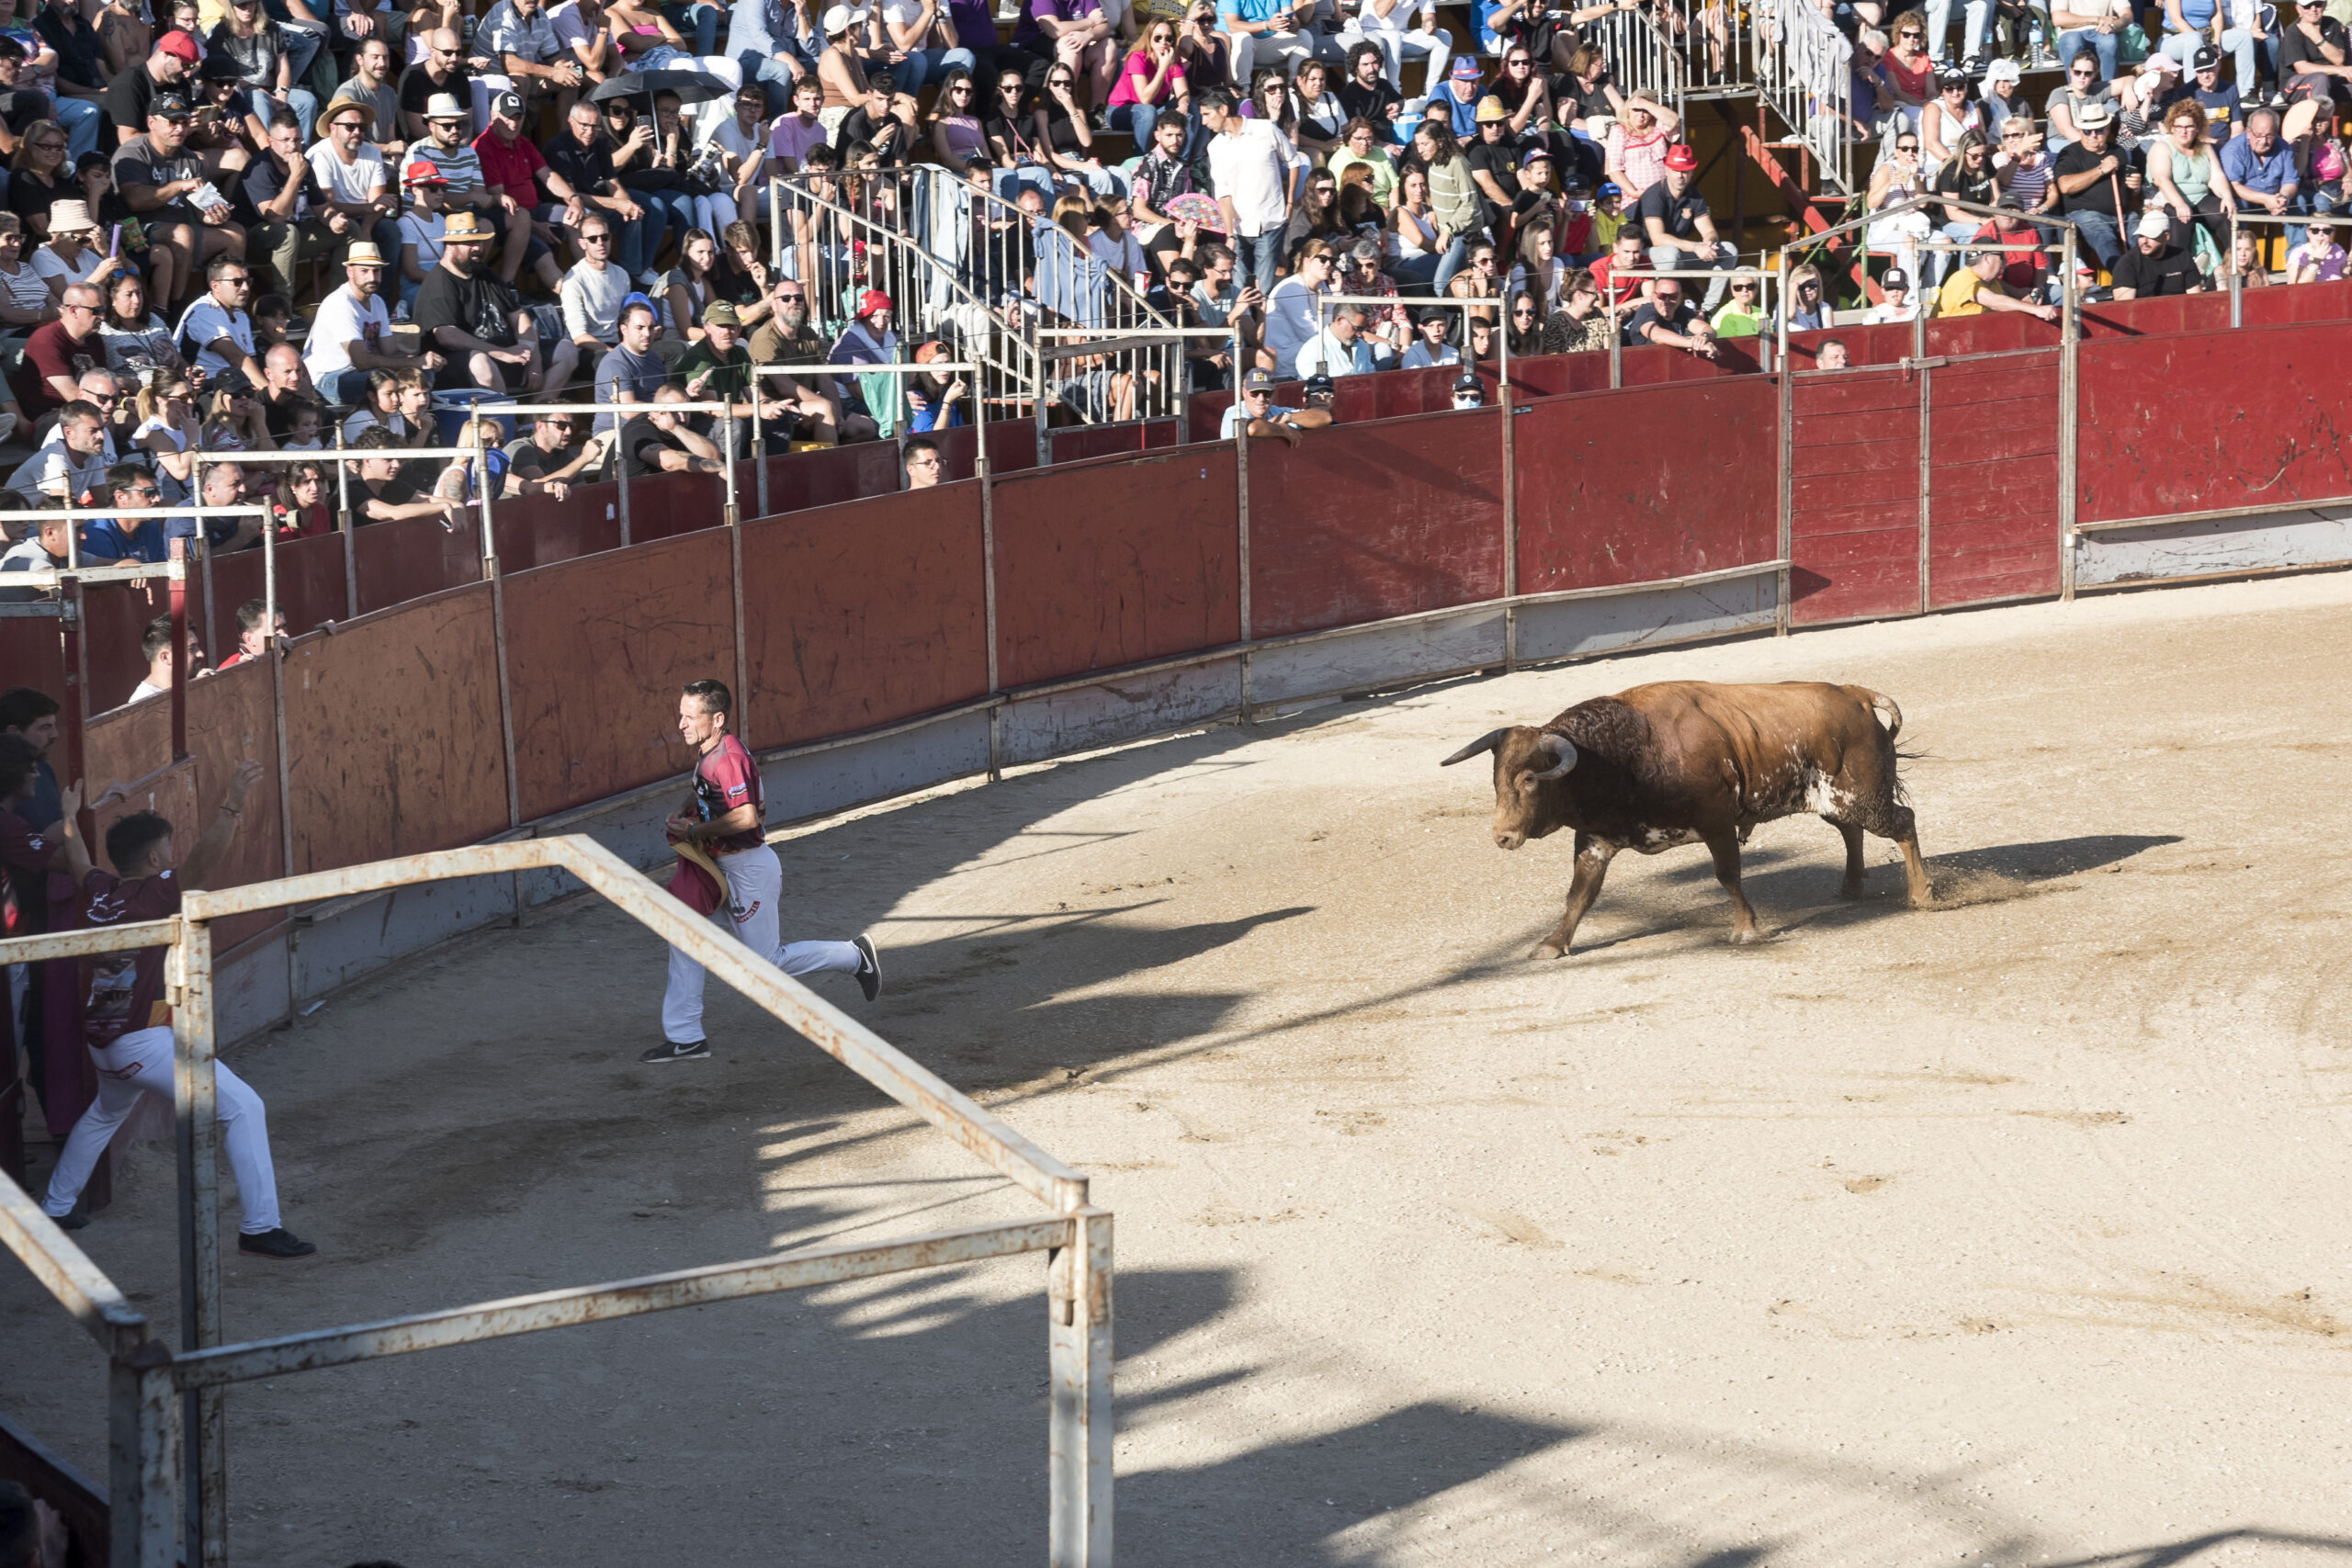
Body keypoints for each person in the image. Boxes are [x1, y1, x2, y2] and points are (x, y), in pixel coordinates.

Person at [38, 760, 315, 1257]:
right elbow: (202, 865)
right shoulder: (153, 894)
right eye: (166, 846)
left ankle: (56, 1207)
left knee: (103, 1114)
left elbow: (79, 860)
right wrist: (232, 804)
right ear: (151, 858)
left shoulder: (102, 892)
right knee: (243, 1107)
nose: (172, 853)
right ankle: (259, 1226)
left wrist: (68, 819)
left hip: (104, 1040)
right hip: (141, 1041)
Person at [646, 677, 879, 1064]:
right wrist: (688, 808)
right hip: (720, 865)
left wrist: (694, 830)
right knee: (683, 933)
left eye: (691, 717)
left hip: (747, 869)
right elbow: (708, 787)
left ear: (717, 719)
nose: (682, 725)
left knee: (765, 964)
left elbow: (746, 817)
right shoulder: (712, 750)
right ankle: (685, 1037)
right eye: (681, 715)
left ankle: (854, 956)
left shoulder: (729, 756)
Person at [413, 209, 572, 395]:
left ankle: (532, 420)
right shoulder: (439, 283)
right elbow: (447, 336)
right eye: (469, 243)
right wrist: (499, 353)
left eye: (479, 242)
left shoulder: (485, 273)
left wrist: (533, 358)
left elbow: (519, 316)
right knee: (481, 362)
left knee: (566, 350)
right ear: (450, 246)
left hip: (506, 354)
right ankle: (506, 421)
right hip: (459, 365)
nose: (478, 248)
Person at [1202, 86, 1293, 292]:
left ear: (1223, 110)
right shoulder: (1214, 146)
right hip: (1240, 228)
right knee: (1238, 288)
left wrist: (1290, 203)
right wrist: (1230, 234)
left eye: (1207, 114)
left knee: (1263, 290)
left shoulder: (1266, 129)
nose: (1204, 121)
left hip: (1270, 223)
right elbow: (1223, 194)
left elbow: (1293, 161)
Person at [1637, 141, 1736, 310]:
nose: (1680, 175)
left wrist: (1708, 243)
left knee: (1729, 250)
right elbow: (1657, 238)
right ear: (1667, 170)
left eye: (1684, 171)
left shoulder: (1694, 194)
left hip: (1680, 254)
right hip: (1647, 257)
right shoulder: (1654, 195)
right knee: (1670, 252)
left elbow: (1709, 230)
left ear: (1691, 172)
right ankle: (1661, 308)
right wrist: (1696, 246)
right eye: (1676, 170)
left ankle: (1708, 309)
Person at [2051, 96, 2135, 267]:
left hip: (2123, 215)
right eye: (2087, 131)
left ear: (2107, 128)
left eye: (2098, 130)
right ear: (2080, 131)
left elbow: (2128, 189)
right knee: (2104, 238)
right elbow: (2065, 186)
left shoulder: (2118, 151)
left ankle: (2152, 278)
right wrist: (2100, 170)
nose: (2093, 136)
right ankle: (2123, 280)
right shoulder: (2070, 153)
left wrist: (2135, 186)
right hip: (2085, 214)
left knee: (2143, 235)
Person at [175, 254, 263, 386]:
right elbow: (236, 357)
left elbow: (251, 360)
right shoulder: (203, 310)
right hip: (200, 392)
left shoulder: (241, 315)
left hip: (233, 389)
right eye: (237, 282)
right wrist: (269, 394)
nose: (246, 288)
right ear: (215, 286)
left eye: (248, 281)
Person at [1938, 243, 2064, 314]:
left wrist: (2027, 300)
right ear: (1987, 258)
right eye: (2002, 258)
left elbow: (2003, 305)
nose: (2005, 263)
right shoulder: (1963, 277)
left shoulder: (1992, 283)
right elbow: (1993, 301)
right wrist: (2036, 310)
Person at [1218, 362, 1331, 441]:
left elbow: (1325, 417)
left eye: (1267, 393)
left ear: (1274, 394)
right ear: (1244, 393)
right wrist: (1282, 429)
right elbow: (1252, 428)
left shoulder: (1278, 412)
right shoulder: (1234, 412)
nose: (1261, 399)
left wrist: (1287, 417)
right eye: (1255, 393)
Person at [214, 597, 285, 668]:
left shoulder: (289, 657)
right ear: (249, 639)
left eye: (284, 627)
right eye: (275, 629)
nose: (285, 635)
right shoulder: (229, 671)